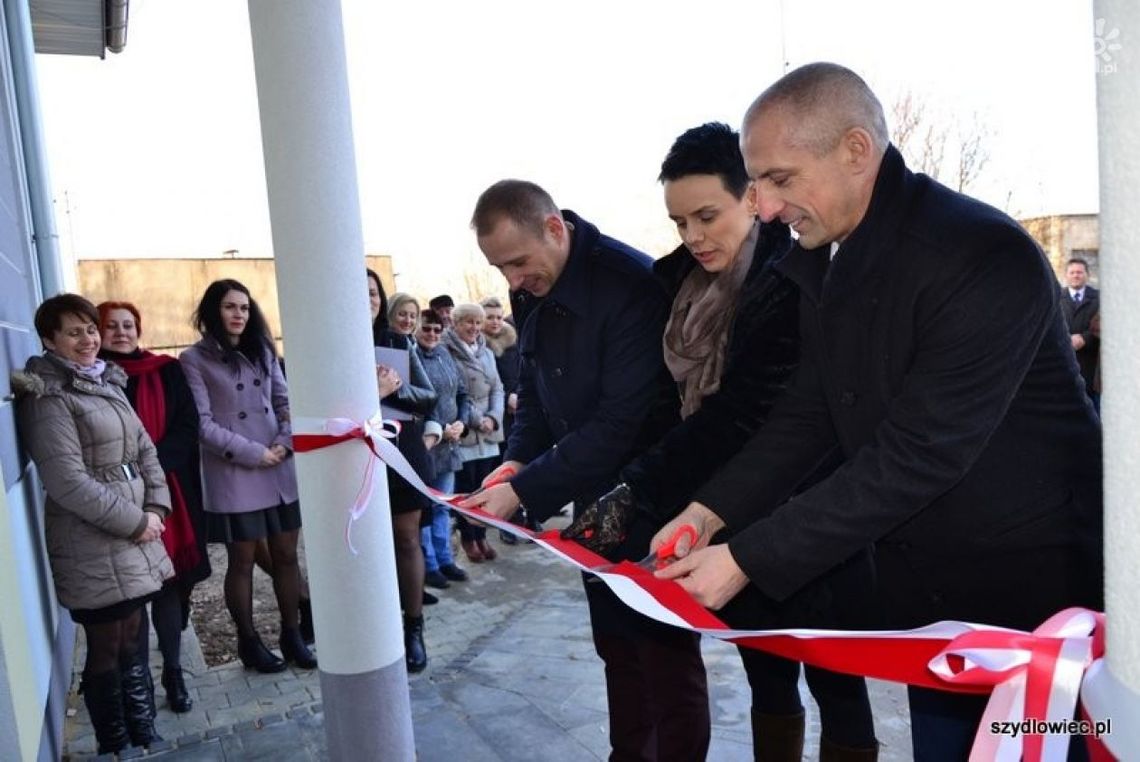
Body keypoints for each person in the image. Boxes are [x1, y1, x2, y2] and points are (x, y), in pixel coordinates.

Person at [650, 63, 1103, 761]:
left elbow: (920, 453)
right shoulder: (831, 258)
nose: (765, 208)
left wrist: (746, 557)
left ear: (856, 151)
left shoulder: (981, 255)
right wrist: (709, 512)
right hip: (936, 601)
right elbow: (808, 414)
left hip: (1035, 606)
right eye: (756, 183)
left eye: (779, 179)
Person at [561, 122, 878, 760]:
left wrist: (642, 485)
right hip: (722, 513)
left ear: (751, 198)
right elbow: (665, 409)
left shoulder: (794, 279)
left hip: (805, 504)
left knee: (835, 678)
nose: (694, 237)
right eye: (680, 222)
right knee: (765, 670)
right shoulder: (677, 286)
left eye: (707, 216)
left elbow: (744, 411)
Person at [459, 180, 707, 762]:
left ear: (554, 227)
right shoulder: (532, 287)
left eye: (518, 263)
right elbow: (536, 389)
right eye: (501, 270)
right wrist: (517, 458)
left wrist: (523, 489)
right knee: (616, 648)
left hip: (652, 495)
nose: (513, 282)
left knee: (666, 657)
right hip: (593, 503)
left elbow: (621, 421)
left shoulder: (632, 285)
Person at [12, 294, 173, 754]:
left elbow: (146, 451)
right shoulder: (48, 397)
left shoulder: (106, 382)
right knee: (106, 642)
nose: (87, 340)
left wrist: (157, 510)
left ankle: (144, 732)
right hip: (91, 538)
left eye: (90, 330)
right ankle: (115, 741)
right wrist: (135, 523)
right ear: (49, 340)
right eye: (73, 332)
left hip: (136, 529)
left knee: (134, 634)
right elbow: (67, 481)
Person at [180, 279, 317, 673]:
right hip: (237, 469)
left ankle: (293, 635)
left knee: (288, 555)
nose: (238, 314)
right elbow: (202, 425)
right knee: (241, 560)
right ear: (212, 311)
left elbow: (285, 401)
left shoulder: (263, 350)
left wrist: (285, 442)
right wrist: (255, 453)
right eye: (229, 307)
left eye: (243, 307)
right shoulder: (194, 359)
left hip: (279, 464)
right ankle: (248, 642)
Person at [97, 301, 212, 714]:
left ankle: (174, 672)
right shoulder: (93, 377)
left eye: (129, 325)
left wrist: (153, 469)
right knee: (136, 589)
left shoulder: (166, 369)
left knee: (170, 584)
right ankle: (140, 678)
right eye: (111, 326)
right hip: (117, 497)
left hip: (173, 490)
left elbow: (188, 424)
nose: (121, 332)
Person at [367, 271, 438, 671]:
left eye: (374, 292)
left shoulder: (397, 341)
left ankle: (414, 627)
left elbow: (428, 398)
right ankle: (376, 625)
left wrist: (395, 391)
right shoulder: (330, 346)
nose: (369, 299)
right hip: (353, 457)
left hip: (402, 450)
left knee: (406, 538)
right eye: (359, 293)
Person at [442, 302, 506, 562]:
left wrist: (493, 417)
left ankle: (482, 536)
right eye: (469, 322)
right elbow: (458, 392)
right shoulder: (447, 351)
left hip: (489, 432)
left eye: (478, 323)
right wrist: (478, 419)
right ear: (456, 324)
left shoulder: (486, 351)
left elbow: (498, 388)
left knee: (485, 486)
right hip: (467, 428)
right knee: (467, 490)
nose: (475, 327)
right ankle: (469, 538)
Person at [414, 307, 471, 589]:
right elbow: (413, 401)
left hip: (450, 444)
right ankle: (430, 564)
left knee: (442, 507)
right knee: (424, 507)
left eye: (438, 329)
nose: (433, 334)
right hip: (426, 443)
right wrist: (438, 428)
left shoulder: (446, 355)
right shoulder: (411, 357)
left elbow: (463, 393)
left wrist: (461, 421)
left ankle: (446, 559)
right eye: (427, 328)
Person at [480, 295, 530, 542]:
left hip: (521, 408)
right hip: (499, 415)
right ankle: (506, 525)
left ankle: (529, 519)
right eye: (490, 317)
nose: (496, 322)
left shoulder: (514, 341)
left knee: (525, 463)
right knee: (504, 468)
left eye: (499, 316)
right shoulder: (482, 347)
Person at [1059, 257, 1100, 406]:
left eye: (1079, 272)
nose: (1076, 275)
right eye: (1072, 272)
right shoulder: (1055, 298)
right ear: (1066, 275)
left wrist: (1085, 338)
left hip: (1092, 368)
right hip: (1064, 367)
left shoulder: (1100, 298)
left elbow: (1106, 327)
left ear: (1087, 275)